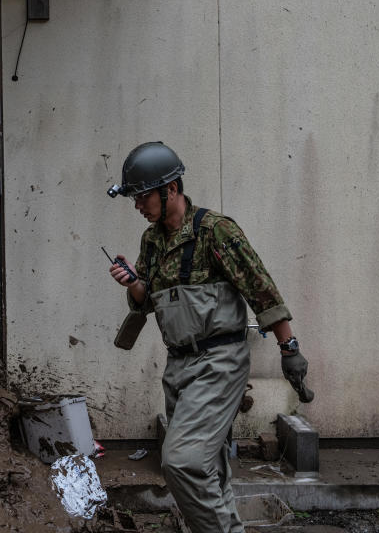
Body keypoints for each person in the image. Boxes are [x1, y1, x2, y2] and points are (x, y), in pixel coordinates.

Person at [107, 141, 311, 533]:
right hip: (178, 365)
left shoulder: (215, 231)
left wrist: (290, 349)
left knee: (181, 461)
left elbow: (261, 289)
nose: (137, 206)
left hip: (220, 362)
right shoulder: (151, 242)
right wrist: (133, 284)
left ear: (170, 189)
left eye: (142, 196)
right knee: (209, 465)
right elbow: (147, 300)